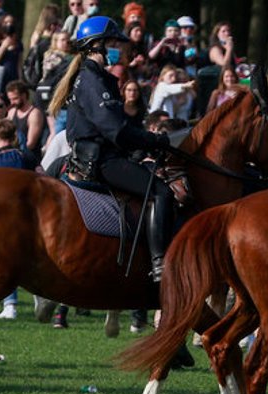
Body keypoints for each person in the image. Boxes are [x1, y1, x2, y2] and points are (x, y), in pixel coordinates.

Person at [48, 16, 175, 282]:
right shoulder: (92, 79)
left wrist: (141, 149)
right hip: (100, 160)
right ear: (97, 45)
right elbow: (114, 129)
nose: (119, 48)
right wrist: (155, 140)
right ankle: (159, 262)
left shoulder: (100, 77)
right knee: (160, 190)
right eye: (114, 42)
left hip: (107, 153)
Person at [5, 80, 45, 163]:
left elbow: (30, 144)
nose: (12, 102)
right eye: (10, 99)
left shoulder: (34, 114)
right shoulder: (11, 112)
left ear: (23, 95)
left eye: (15, 99)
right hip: (14, 154)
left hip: (29, 158)